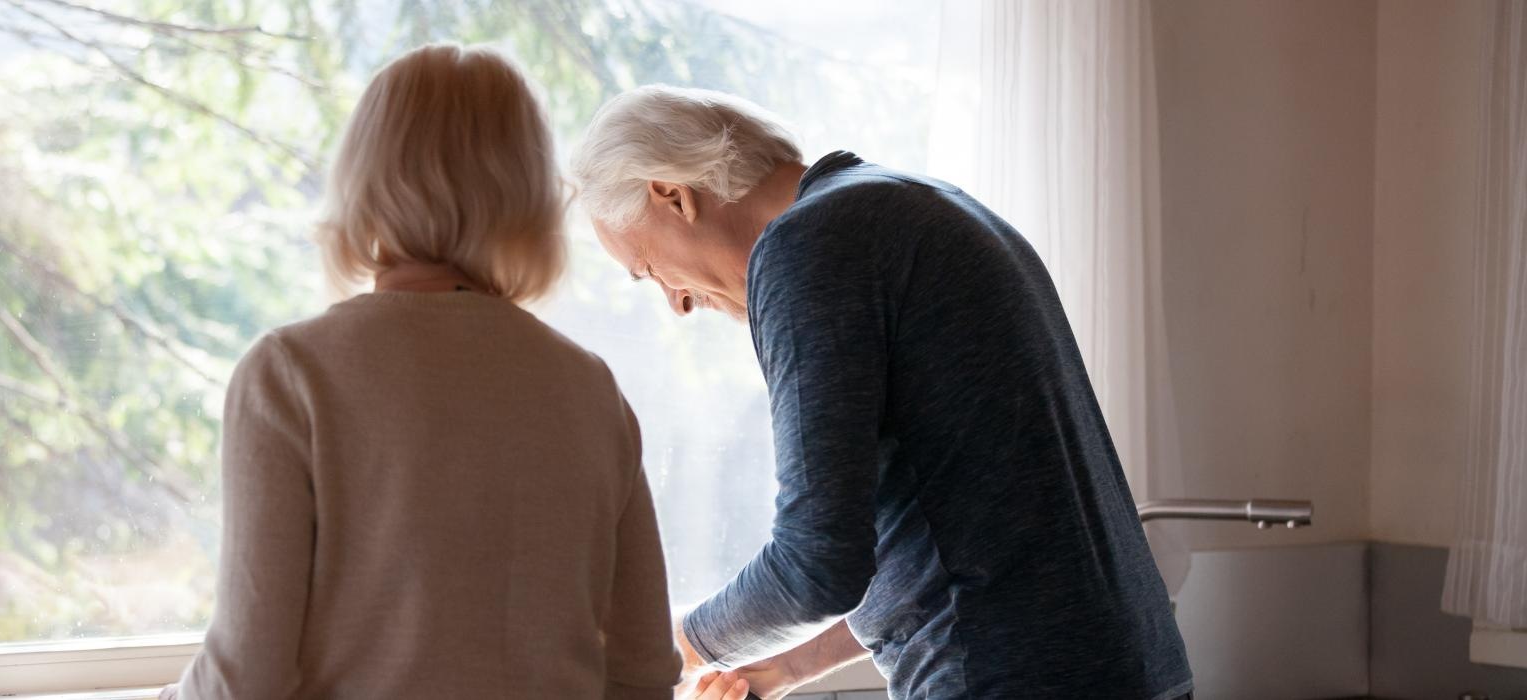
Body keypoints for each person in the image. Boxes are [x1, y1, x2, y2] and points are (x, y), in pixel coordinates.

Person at [571, 86, 1193, 700]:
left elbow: (816, 564)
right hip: (1133, 666)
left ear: (673, 195)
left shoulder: (807, 247)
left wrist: (660, 651)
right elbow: (951, 541)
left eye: (649, 269)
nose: (676, 304)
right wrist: (786, 666)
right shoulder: (926, 206)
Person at [163, 45, 681, 699]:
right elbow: (644, 675)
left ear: (362, 178)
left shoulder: (291, 375)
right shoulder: (590, 389)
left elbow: (247, 676)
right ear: (528, 192)